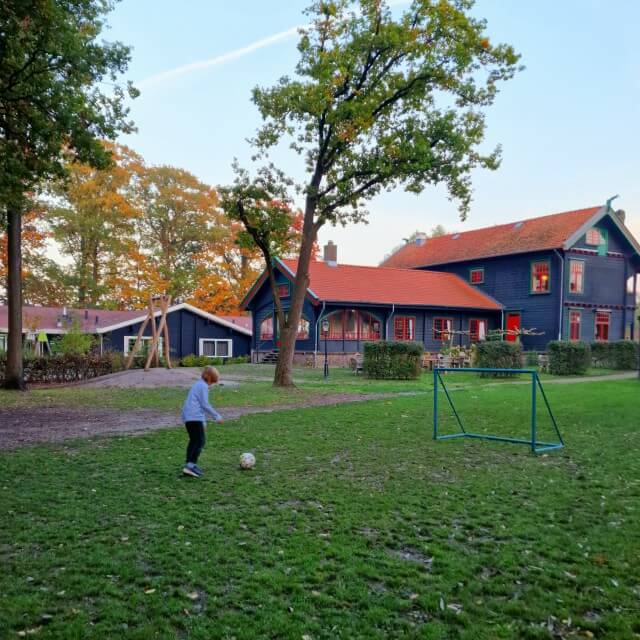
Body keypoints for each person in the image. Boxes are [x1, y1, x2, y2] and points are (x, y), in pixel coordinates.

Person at [181, 366, 223, 477]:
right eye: (212, 382)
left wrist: (203, 421)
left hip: (189, 417)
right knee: (200, 441)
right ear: (209, 378)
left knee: (194, 440)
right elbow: (205, 404)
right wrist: (217, 416)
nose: (211, 385)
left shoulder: (197, 384)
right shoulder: (203, 386)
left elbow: (196, 404)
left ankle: (189, 465)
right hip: (194, 417)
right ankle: (190, 465)